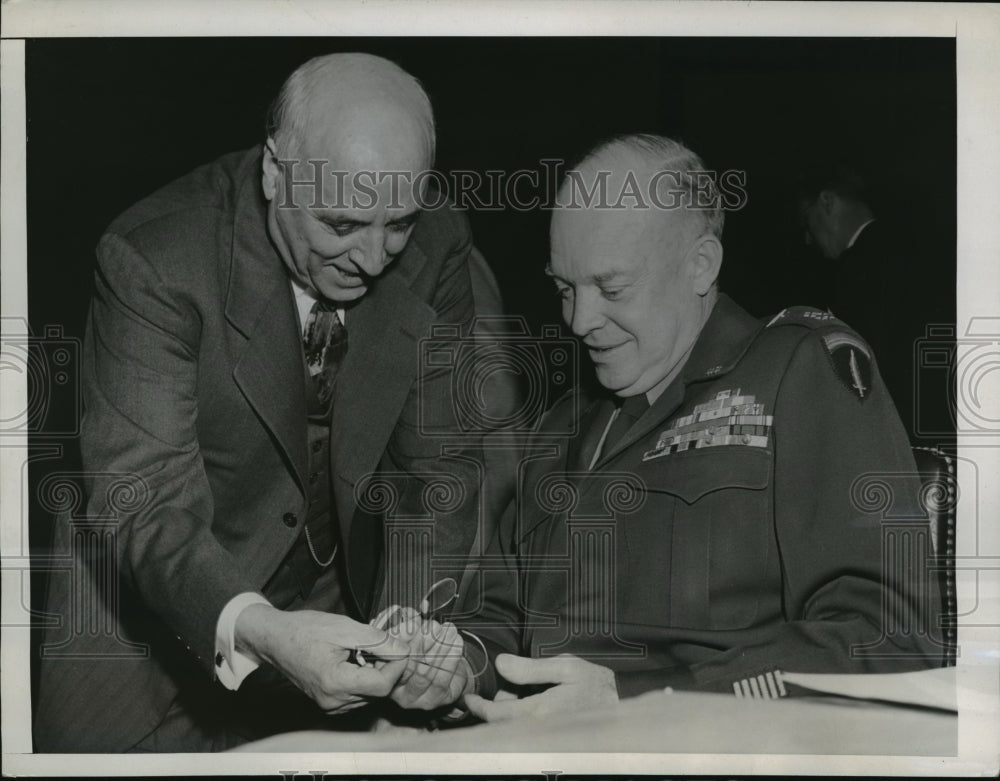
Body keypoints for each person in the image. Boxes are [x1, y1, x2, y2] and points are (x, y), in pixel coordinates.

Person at [34, 53, 491, 752]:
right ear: (277, 171)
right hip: (145, 642)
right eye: (341, 224)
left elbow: (438, 468)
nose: (375, 259)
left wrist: (407, 635)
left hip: (337, 627)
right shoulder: (155, 257)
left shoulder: (439, 244)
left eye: (398, 223)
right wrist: (264, 630)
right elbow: (145, 501)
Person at [455, 135, 944, 722]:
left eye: (612, 289)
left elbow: (886, 643)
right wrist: (451, 664)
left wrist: (641, 703)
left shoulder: (796, 373)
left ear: (700, 265)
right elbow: (500, 617)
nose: (579, 321)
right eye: (564, 289)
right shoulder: (564, 423)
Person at [796, 163, 947, 442]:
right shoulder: (920, 243)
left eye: (806, 220)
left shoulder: (856, 270)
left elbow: (848, 370)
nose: (808, 238)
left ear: (827, 201)